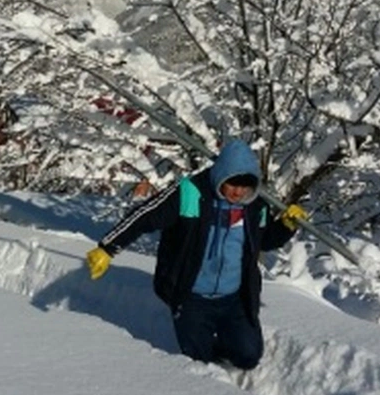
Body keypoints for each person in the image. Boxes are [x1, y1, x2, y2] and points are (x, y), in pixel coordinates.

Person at [84, 138, 308, 370]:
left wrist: (286, 226)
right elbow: (144, 216)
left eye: (244, 186)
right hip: (191, 295)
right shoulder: (190, 194)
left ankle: (226, 338)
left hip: (233, 297)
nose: (238, 192)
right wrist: (107, 248)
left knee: (248, 356)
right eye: (232, 184)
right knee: (198, 360)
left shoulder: (255, 207)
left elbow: (265, 240)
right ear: (221, 174)